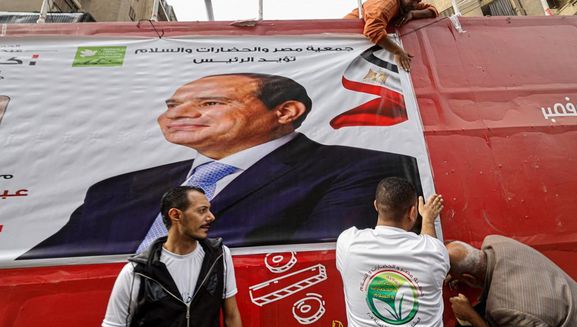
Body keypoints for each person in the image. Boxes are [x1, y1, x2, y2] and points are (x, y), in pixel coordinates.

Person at [19, 73, 421, 259]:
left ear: (285, 111)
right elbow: (45, 265)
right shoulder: (120, 187)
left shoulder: (363, 170)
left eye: (210, 103)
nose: (179, 115)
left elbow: (316, 262)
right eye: (172, 105)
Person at [97, 186, 243, 327]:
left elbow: (231, 317)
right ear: (175, 215)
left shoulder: (219, 256)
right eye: (202, 210)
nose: (211, 217)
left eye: (209, 210)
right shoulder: (136, 273)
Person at [446, 235, 577, 327]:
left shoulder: (510, 309)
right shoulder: (499, 244)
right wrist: (463, 275)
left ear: (469, 278)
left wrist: (473, 318)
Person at [336, 177, 449, 327]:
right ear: (413, 212)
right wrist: (427, 219)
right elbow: (430, 250)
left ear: (376, 206)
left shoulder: (348, 243)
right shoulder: (434, 251)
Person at [344, 0, 438, 72]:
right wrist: (398, 51)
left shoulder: (406, 5)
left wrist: (413, 14)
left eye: (418, 1)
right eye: (413, 0)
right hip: (346, 41)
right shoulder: (387, 4)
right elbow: (372, 30)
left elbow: (433, 10)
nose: (414, 4)